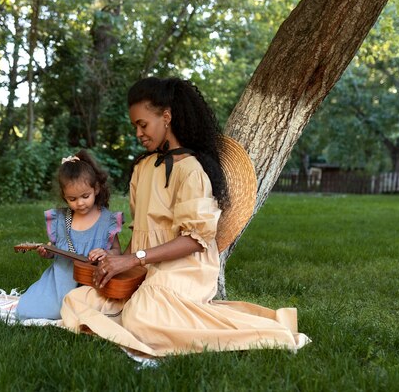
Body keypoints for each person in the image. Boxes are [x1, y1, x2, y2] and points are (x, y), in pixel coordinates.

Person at [60, 77, 309, 357]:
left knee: (141, 318)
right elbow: (142, 230)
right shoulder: (142, 168)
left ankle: (265, 334)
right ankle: (141, 313)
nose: (138, 133)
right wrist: (118, 263)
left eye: (143, 124)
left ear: (166, 116)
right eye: (135, 127)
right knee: (77, 299)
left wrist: (132, 259)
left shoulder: (191, 170)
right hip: (146, 264)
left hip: (184, 267)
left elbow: (195, 240)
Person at [0, 150, 123, 323]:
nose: (80, 203)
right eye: (72, 199)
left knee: (98, 311)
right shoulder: (62, 220)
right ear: (64, 196)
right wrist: (48, 252)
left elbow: (117, 251)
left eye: (85, 196)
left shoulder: (107, 220)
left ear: (97, 189)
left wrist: (106, 253)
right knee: (32, 311)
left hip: (95, 282)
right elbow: (55, 249)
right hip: (62, 281)